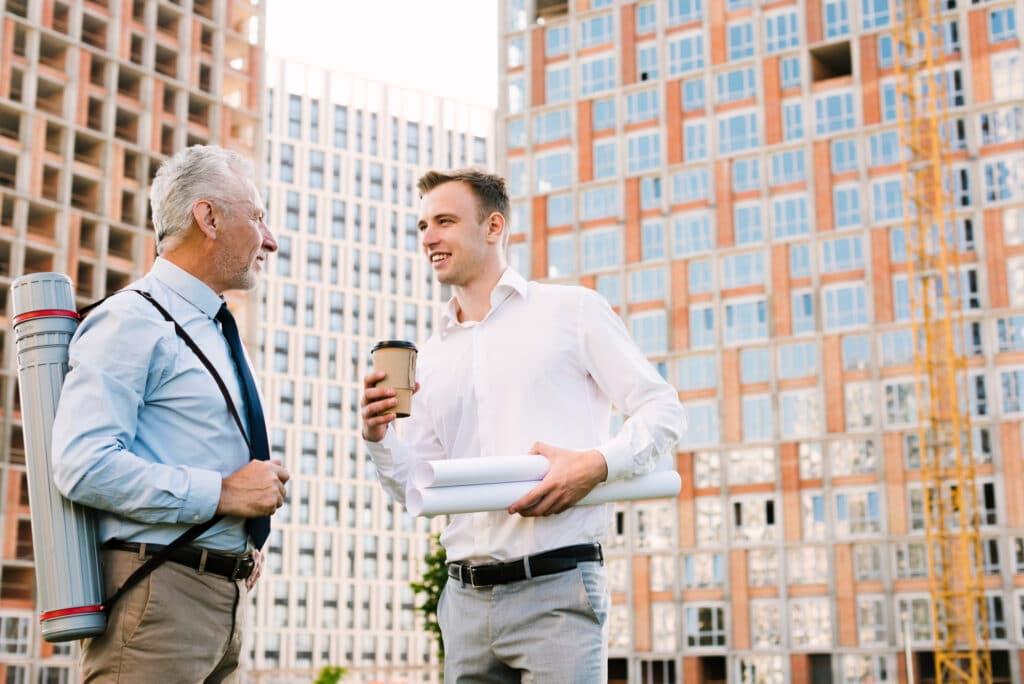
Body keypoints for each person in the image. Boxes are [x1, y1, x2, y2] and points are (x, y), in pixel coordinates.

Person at [361, 169, 685, 682]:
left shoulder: (572, 311)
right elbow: (418, 487)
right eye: (422, 225)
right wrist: (380, 439)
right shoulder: (433, 355)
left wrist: (597, 465)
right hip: (464, 604)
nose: (429, 237)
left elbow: (663, 410)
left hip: (557, 589)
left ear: (494, 227)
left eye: (444, 221)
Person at [51, 145, 289, 683]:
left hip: (220, 599)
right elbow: (81, 464)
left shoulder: (214, 327)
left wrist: (239, 541)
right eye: (257, 217)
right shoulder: (131, 321)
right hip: (159, 599)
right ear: (209, 218)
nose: (269, 239)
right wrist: (224, 494)